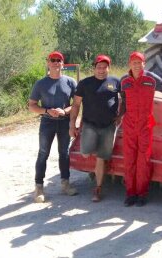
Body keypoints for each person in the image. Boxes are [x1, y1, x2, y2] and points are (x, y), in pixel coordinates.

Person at [120, 51, 162, 207]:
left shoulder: (151, 79)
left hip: (145, 125)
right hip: (129, 125)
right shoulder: (124, 81)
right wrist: (117, 117)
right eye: (134, 62)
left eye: (139, 62)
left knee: (143, 159)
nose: (137, 65)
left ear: (144, 64)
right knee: (129, 159)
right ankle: (130, 193)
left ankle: (141, 194)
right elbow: (122, 101)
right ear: (130, 64)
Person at [69, 54, 121, 202]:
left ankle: (98, 188)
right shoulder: (85, 83)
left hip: (108, 126)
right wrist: (72, 124)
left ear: (108, 68)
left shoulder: (115, 82)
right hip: (90, 125)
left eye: (104, 67)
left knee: (101, 158)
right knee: (85, 152)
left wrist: (121, 115)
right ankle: (89, 149)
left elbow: (124, 98)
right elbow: (76, 105)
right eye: (99, 67)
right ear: (94, 68)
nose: (101, 70)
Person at [28, 51, 78, 203]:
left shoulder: (70, 82)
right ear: (48, 63)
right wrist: (46, 111)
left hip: (64, 122)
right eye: (53, 60)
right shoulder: (40, 84)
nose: (56, 63)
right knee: (43, 153)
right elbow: (32, 105)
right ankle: (39, 187)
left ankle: (65, 184)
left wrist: (65, 111)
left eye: (59, 60)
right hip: (47, 122)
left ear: (63, 64)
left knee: (64, 153)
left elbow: (76, 105)